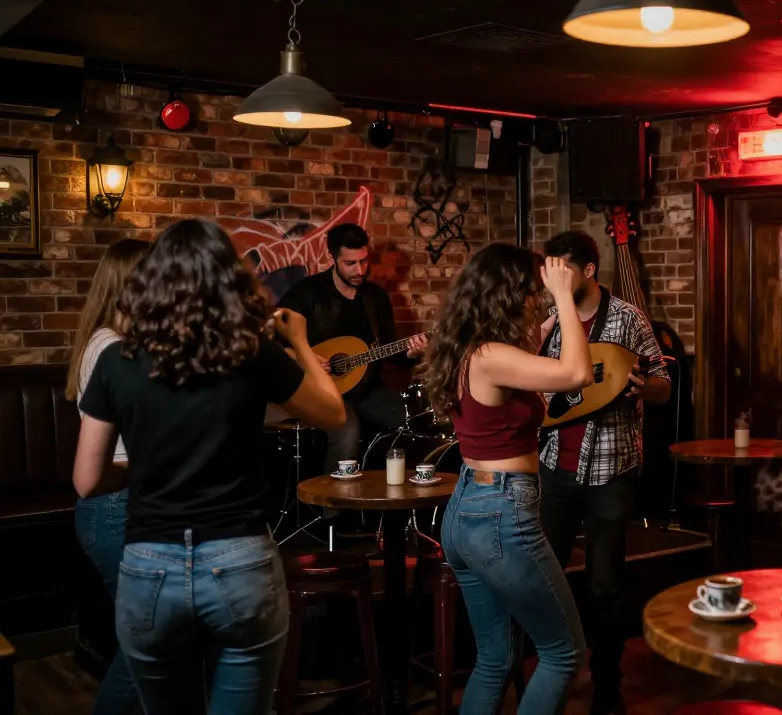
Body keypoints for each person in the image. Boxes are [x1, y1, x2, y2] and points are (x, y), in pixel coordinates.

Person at [72, 219, 346, 715]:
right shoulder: (251, 353)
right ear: (228, 280)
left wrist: (153, 470)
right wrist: (302, 342)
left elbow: (87, 480)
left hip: (150, 564)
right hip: (238, 560)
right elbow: (334, 413)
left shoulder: (117, 359)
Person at [419, 243, 592, 715]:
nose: (535, 300)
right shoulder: (491, 354)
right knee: (563, 653)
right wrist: (564, 297)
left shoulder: (470, 349)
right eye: (530, 292)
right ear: (507, 294)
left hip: (469, 508)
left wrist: (540, 334)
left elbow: (508, 387)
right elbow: (576, 372)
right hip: (499, 512)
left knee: (495, 660)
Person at [535, 231, 670, 715]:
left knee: (605, 583)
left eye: (562, 270)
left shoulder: (628, 320)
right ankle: (551, 673)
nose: (553, 280)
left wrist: (642, 387)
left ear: (588, 271)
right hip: (554, 468)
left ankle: (606, 687)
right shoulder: (547, 320)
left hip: (611, 468)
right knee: (546, 574)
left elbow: (663, 384)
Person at [65, 237, 150, 715]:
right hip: (112, 509)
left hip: (118, 508)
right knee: (145, 650)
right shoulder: (112, 349)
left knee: (151, 646)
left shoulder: (112, 341)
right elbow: (104, 463)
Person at [276, 223, 427, 472]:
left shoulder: (375, 298)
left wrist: (409, 354)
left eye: (364, 261)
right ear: (332, 258)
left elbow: (390, 349)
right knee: (347, 432)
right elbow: (275, 342)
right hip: (322, 392)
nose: (360, 270)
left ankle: (391, 501)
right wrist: (307, 357)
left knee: (412, 422)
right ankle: (335, 510)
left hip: (368, 391)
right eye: (351, 263)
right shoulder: (308, 293)